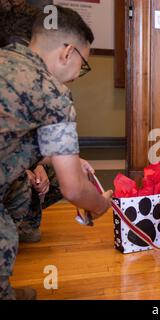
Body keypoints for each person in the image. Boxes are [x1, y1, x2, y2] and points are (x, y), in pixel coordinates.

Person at [0, 6, 113, 300]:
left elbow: (16, 139)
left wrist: (73, 159)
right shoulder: (51, 92)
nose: (78, 75)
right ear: (68, 53)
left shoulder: (6, 59)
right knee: (4, 238)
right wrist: (99, 204)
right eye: (83, 64)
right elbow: (73, 188)